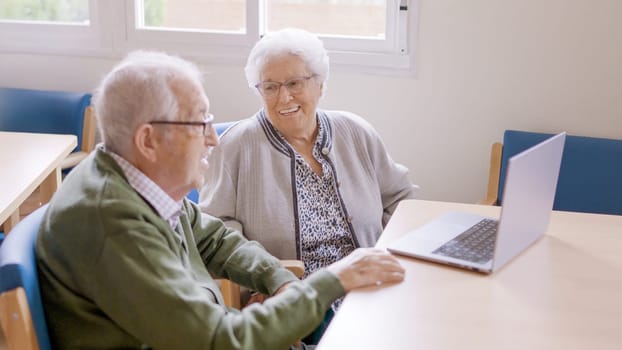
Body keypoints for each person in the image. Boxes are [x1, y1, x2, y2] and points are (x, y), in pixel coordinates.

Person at [35, 50, 405, 350]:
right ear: (147, 141)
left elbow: (212, 237)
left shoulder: (126, 175)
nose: (213, 138)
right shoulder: (113, 225)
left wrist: (278, 279)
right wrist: (329, 281)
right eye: (199, 124)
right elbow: (221, 341)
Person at [199, 28, 418, 343]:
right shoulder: (236, 147)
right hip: (296, 298)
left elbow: (400, 198)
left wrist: (395, 257)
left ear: (321, 84)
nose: (283, 97)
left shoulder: (355, 132)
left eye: (294, 83)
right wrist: (260, 287)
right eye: (270, 86)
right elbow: (216, 229)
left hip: (370, 286)